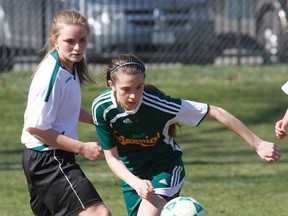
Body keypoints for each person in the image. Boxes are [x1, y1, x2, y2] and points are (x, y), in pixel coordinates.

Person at [91, 54, 281, 216]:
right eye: (126, 89)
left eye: (139, 87)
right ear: (111, 85)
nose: (133, 96)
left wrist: (258, 144)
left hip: (165, 167)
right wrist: (135, 182)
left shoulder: (158, 104)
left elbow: (216, 112)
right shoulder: (102, 109)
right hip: (133, 174)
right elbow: (112, 158)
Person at [21, 10, 111, 216]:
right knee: (97, 213)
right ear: (55, 41)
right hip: (48, 158)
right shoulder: (51, 75)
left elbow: (65, 108)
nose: (78, 47)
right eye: (70, 41)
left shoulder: (68, 67)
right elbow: (36, 128)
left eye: (82, 40)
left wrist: (99, 120)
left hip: (47, 156)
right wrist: (83, 148)